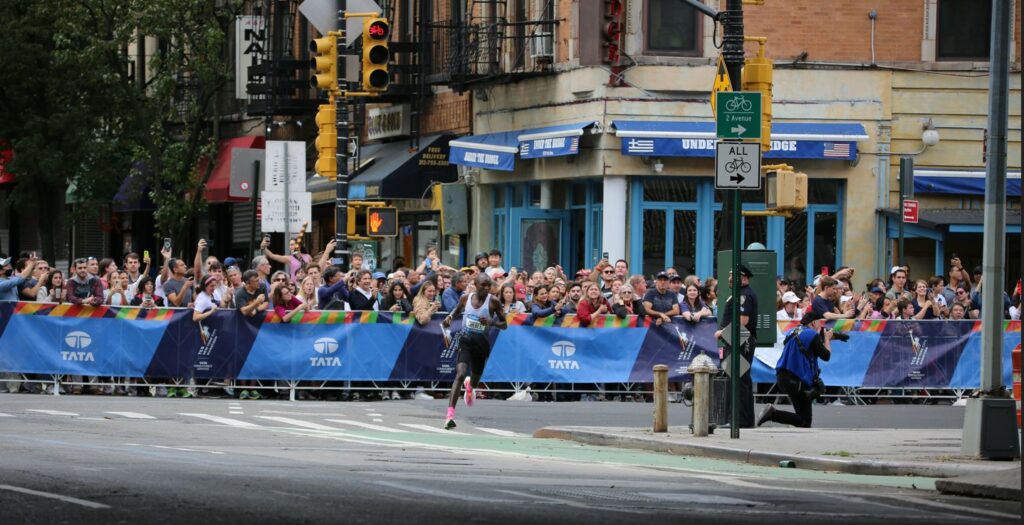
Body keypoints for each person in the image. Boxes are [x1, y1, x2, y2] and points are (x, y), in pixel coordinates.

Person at [441, 274, 507, 429]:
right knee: (460, 374)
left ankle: (470, 386)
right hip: (465, 341)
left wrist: (492, 322)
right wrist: (449, 318)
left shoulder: (494, 302)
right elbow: (456, 310)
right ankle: (449, 416)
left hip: (481, 345)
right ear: (475, 284)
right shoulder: (466, 298)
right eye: (483, 285)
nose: (486, 288)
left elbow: (504, 324)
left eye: (489, 285)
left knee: (475, 380)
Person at [757, 311, 832, 428]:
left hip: (784, 376)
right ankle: (772, 413)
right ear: (813, 323)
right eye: (819, 322)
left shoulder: (793, 331)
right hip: (798, 379)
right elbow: (826, 356)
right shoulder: (811, 334)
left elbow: (805, 346)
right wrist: (827, 339)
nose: (820, 326)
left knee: (803, 419)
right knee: (805, 421)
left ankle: (772, 414)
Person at [714, 264, 758, 428]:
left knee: (739, 379)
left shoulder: (744, 295)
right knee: (739, 379)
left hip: (741, 338)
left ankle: (739, 420)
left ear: (744, 278)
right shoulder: (740, 294)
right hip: (737, 338)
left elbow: (743, 321)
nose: (730, 279)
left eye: (733, 276)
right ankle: (743, 420)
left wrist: (722, 332)